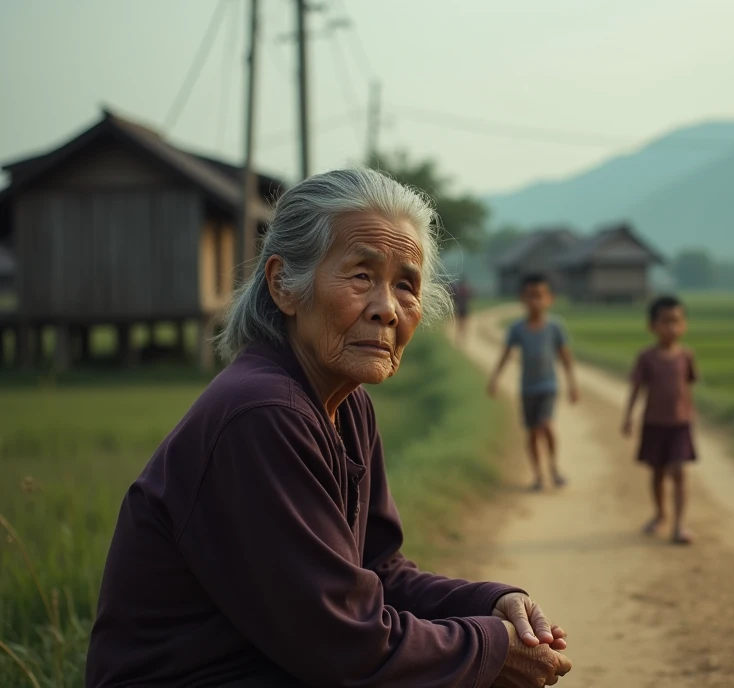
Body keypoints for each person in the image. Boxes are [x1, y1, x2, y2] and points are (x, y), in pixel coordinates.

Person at [86, 169, 571, 687]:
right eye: (361, 276)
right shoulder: (265, 413)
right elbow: (345, 645)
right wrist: (491, 647)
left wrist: (493, 603)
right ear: (283, 286)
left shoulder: (347, 404)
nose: (386, 309)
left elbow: (378, 573)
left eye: (405, 285)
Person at [488, 273, 580, 491]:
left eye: (540, 296)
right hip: (527, 389)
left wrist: (572, 384)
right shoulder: (517, 329)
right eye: (530, 296)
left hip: (548, 386)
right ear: (522, 299)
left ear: (550, 298)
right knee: (531, 433)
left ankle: (554, 468)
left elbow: (565, 357)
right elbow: (506, 354)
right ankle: (538, 475)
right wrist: (494, 379)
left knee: (546, 425)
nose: (535, 301)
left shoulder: (556, 327)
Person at [622, 295, 699, 545]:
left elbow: (687, 387)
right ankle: (660, 514)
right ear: (652, 326)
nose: (672, 328)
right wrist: (628, 417)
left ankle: (679, 525)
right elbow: (636, 388)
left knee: (679, 472)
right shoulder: (646, 357)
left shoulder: (686, 356)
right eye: (665, 322)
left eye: (676, 321)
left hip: (680, 425)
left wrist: (691, 415)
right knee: (657, 473)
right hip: (654, 423)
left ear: (684, 324)